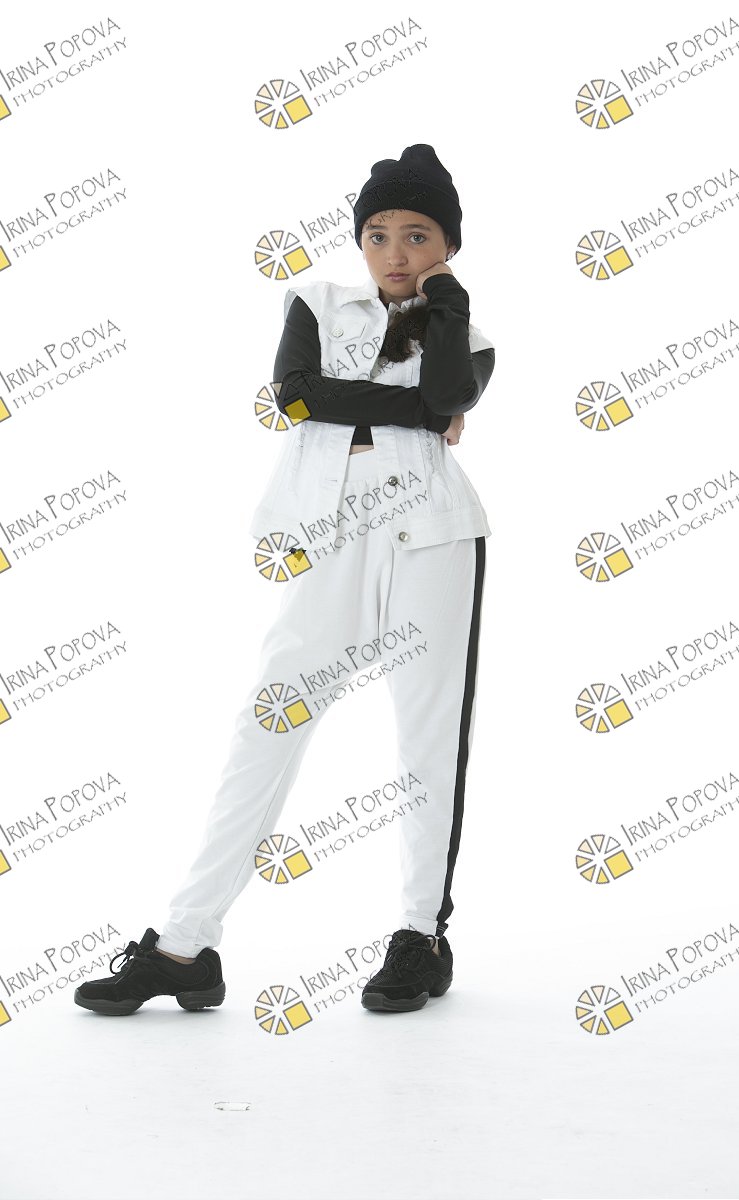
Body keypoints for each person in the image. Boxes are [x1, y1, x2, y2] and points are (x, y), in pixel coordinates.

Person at [74, 144, 495, 1017]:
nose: (395, 252)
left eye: (419, 236)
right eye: (378, 234)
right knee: (269, 720)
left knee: (428, 738)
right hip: (332, 535)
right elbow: (296, 397)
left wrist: (445, 311)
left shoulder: (468, 330)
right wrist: (421, 411)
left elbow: (453, 390)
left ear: (448, 245)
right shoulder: (316, 301)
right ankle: (185, 945)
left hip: (433, 536)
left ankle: (420, 935)